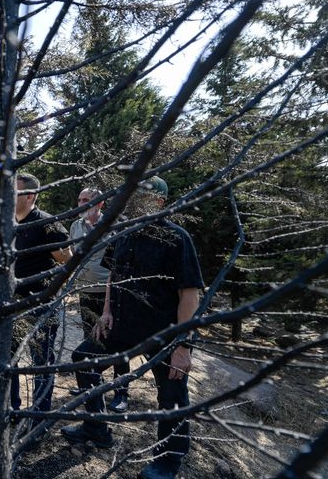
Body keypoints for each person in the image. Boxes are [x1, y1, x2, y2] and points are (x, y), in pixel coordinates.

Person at [61, 176, 204, 479]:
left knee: (172, 395)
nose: (135, 203)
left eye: (144, 197)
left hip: (164, 333)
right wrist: (106, 311)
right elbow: (113, 276)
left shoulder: (177, 238)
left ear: (160, 202)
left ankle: (167, 460)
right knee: (84, 359)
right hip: (122, 325)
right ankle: (96, 428)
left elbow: (189, 294)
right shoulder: (124, 234)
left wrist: (182, 345)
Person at [11, 173, 72, 414]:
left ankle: (39, 415)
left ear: (29, 196)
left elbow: (68, 261)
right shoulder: (7, 223)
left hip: (41, 306)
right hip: (11, 305)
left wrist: (50, 293)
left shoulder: (49, 224)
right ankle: (12, 410)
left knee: (41, 362)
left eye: (13, 191)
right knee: (9, 360)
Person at [70, 187, 130, 413]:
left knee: (115, 342)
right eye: (79, 199)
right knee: (90, 339)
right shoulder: (75, 226)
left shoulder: (112, 226)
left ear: (100, 204)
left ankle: (121, 391)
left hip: (108, 294)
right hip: (84, 291)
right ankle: (90, 384)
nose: (82, 203)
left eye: (87, 200)